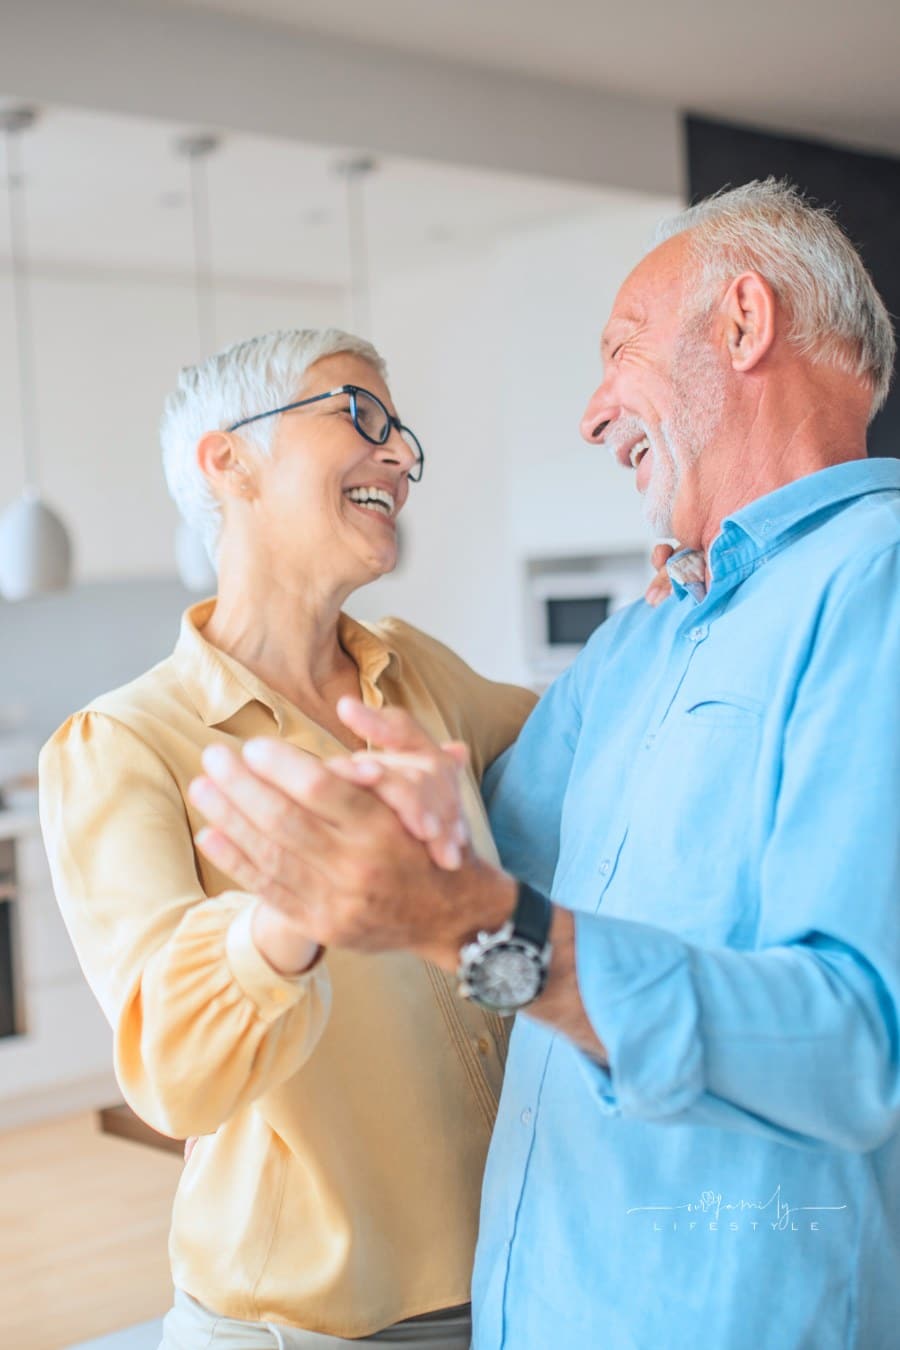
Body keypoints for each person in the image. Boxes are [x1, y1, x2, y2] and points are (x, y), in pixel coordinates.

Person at [191, 180, 900, 1349]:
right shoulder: (642, 639)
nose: (590, 413)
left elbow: (856, 1047)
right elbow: (482, 866)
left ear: (742, 323)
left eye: (620, 351)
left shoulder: (874, 585)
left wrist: (481, 930)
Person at [39, 329, 549, 1350]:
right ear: (229, 462)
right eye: (359, 413)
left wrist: (673, 616)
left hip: (512, 1287)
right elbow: (174, 1079)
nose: (400, 454)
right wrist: (291, 915)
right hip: (304, 1329)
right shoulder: (123, 744)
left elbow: (583, 737)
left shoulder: (415, 672)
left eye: (401, 432)